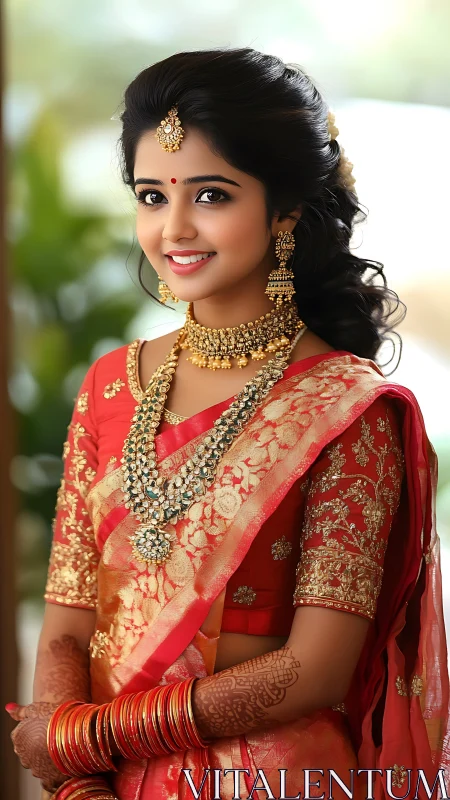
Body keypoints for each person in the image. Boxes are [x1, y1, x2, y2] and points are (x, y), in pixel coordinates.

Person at [7, 47, 450, 800]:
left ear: (285, 211)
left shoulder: (346, 409)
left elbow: (316, 669)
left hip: (270, 778)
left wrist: (94, 736)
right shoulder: (110, 386)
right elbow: (69, 625)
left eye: (210, 195)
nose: (173, 227)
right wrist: (77, 779)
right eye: (151, 196)